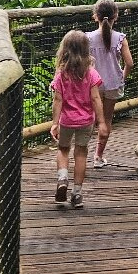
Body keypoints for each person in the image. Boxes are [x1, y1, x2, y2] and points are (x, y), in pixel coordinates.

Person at [50, 30, 104, 208]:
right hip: (86, 121)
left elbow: (58, 100)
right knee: (81, 153)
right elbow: (96, 98)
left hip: (66, 121)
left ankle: (63, 177)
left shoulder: (61, 75)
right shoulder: (91, 74)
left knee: (63, 149)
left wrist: (54, 124)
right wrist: (102, 122)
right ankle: (77, 193)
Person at [86, 0, 134, 168]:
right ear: (116, 16)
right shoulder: (121, 38)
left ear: (95, 16)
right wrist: (122, 77)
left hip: (93, 86)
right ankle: (98, 158)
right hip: (113, 83)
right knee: (106, 120)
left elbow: (84, 63)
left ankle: (81, 155)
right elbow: (129, 63)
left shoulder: (87, 38)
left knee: (90, 118)